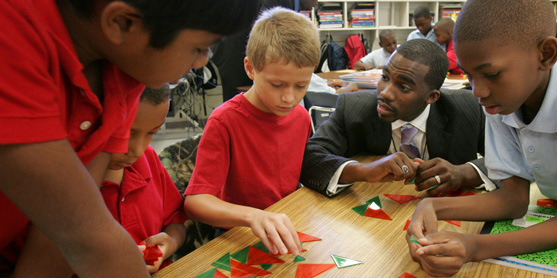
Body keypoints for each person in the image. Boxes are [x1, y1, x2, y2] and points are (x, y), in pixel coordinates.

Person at [0, 0, 256, 276]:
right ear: (122, 23)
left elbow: (61, 235)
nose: (203, 61)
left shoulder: (126, 68)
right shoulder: (11, 36)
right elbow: (92, 240)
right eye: (198, 47)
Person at [407, 0, 557, 276]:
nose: (478, 91)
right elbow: (512, 199)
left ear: (546, 54)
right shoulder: (503, 97)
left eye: (491, 74)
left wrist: (474, 246)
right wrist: (431, 205)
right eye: (469, 75)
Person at [184, 7, 319, 257]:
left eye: (301, 85)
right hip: (236, 233)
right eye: (277, 85)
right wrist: (253, 216)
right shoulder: (225, 121)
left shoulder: (300, 117)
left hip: (285, 227)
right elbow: (195, 203)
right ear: (250, 68)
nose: (289, 98)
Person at [14, 86, 187, 276]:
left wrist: (170, 242)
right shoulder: (55, 187)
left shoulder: (148, 159)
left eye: (152, 132)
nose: (137, 150)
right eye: (126, 132)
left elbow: (176, 222)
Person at [300, 39, 497, 198]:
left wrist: (465, 172)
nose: (385, 93)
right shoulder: (353, 108)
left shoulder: (468, 109)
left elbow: (511, 160)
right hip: (373, 216)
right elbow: (310, 157)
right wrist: (364, 170)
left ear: (432, 97)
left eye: (403, 87)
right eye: (385, 77)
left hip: (446, 216)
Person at [212, 0, 319, 102]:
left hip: (240, 54)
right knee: (241, 110)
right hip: (235, 58)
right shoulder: (274, 4)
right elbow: (266, 38)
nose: (317, 2)